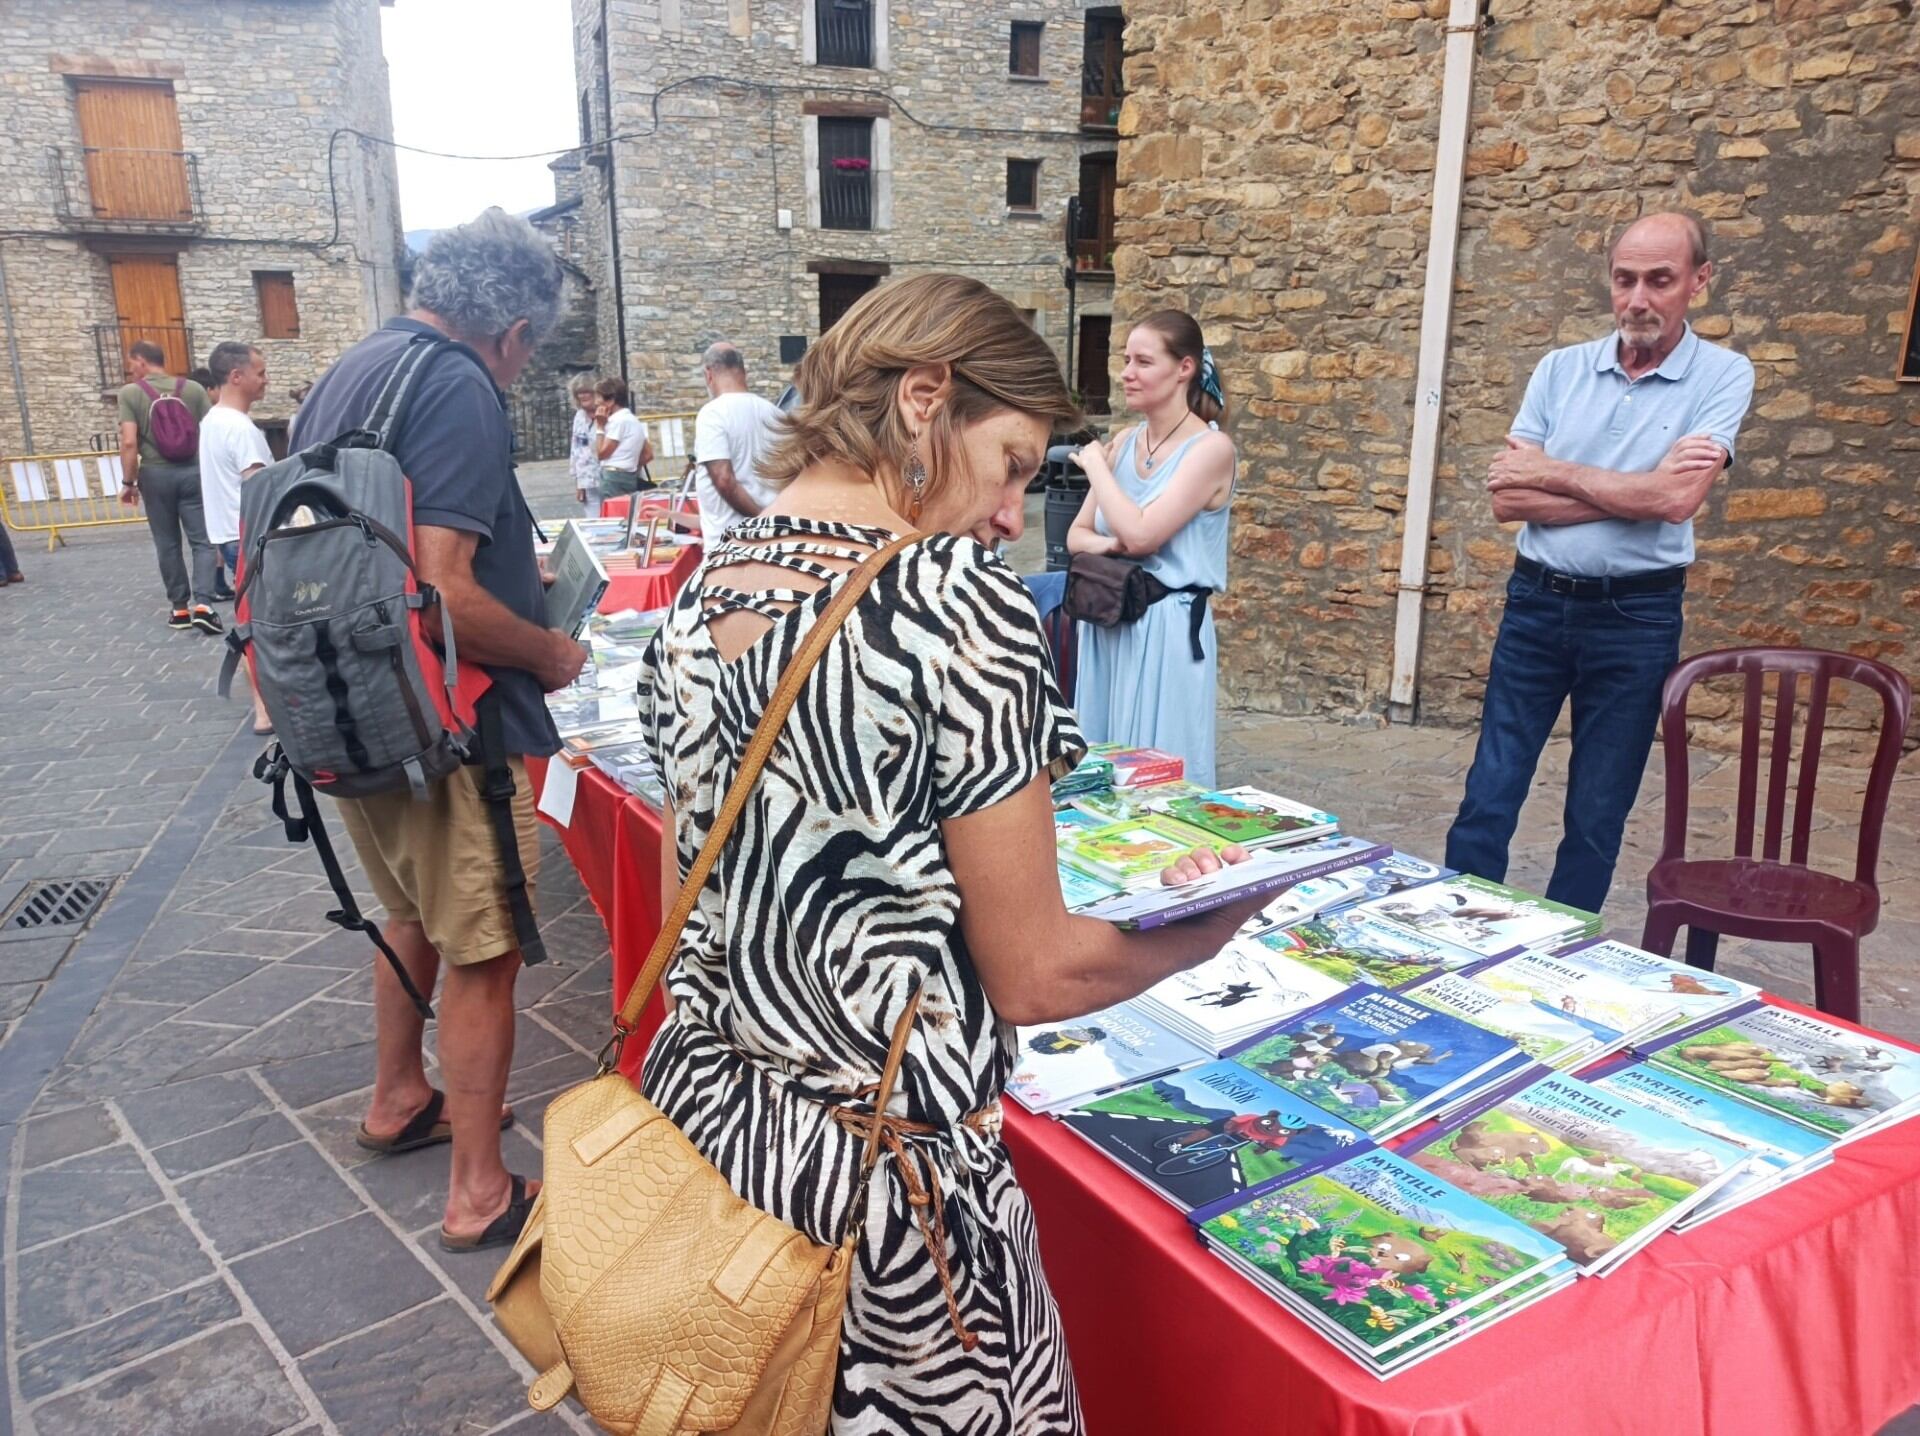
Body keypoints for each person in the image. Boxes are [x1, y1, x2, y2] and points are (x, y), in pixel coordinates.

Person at [636, 273, 1268, 1431]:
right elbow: (1040, 973)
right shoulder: (951, 600)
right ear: (926, 400)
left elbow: (732, 884)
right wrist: (1215, 924)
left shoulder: (705, 586)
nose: (1009, 514)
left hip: (722, 1135)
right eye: (1017, 464)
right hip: (895, 1199)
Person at [289, 208, 586, 1250]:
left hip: (352, 705)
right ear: (509, 331)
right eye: (530, 352)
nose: (522, 369)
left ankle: (398, 1095)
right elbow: (444, 591)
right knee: (486, 946)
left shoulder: (356, 365)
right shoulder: (458, 384)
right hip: (450, 723)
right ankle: (478, 1189)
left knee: (411, 909)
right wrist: (548, 651)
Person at [1445, 212, 1756, 914]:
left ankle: (1563, 948)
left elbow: (1678, 500)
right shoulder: (1560, 369)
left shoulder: (1724, 374)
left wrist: (1554, 472)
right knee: (1489, 791)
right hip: (1536, 601)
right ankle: (1454, 929)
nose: (1638, 299)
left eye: (1660, 280)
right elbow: (1506, 500)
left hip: (1636, 615)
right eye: (1624, 280)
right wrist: (1636, 490)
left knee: (1597, 810)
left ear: (1699, 282)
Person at [1067, 311, 1236, 785]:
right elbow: (1077, 536)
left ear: (1184, 368)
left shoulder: (1209, 450)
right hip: (1109, 622)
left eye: (1143, 361)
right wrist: (1113, 542)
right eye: (1126, 360)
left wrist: (1097, 467)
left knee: (1161, 779)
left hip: (1166, 630)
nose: (1127, 373)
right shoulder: (1125, 440)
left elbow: (1145, 536)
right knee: (1100, 772)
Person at [198, 341, 276, 734]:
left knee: (254, 623)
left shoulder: (212, 420)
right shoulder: (240, 428)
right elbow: (260, 491)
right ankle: (265, 709)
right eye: (260, 373)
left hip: (228, 535)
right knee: (265, 625)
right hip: (250, 537)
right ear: (236, 376)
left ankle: (266, 707)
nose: (265, 380)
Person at [118, 341, 218, 633]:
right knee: (202, 540)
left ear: (141, 361)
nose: (130, 368)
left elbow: (129, 442)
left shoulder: (131, 393)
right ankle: (205, 604)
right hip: (193, 471)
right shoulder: (194, 390)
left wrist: (128, 482)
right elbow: (211, 433)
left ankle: (179, 609)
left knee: (167, 542)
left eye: (131, 362)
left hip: (156, 475)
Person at [691, 340, 782, 546]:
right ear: (743, 371)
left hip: (730, 542)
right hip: (773, 537)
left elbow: (724, 480)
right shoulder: (775, 413)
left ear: (708, 374)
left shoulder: (712, 414)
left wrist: (759, 518)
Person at [593, 376, 651, 501]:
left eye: (598, 397)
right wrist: (629, 464)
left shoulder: (617, 421)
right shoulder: (633, 420)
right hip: (629, 475)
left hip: (613, 476)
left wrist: (600, 427)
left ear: (611, 400)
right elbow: (648, 454)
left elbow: (601, 454)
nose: (596, 402)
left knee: (613, 515)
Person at [567, 376, 601, 515]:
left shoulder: (607, 414)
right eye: (579, 392)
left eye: (587, 391)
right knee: (593, 522)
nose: (583, 395)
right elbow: (576, 450)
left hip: (608, 478)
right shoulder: (579, 417)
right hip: (587, 479)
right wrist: (578, 483)